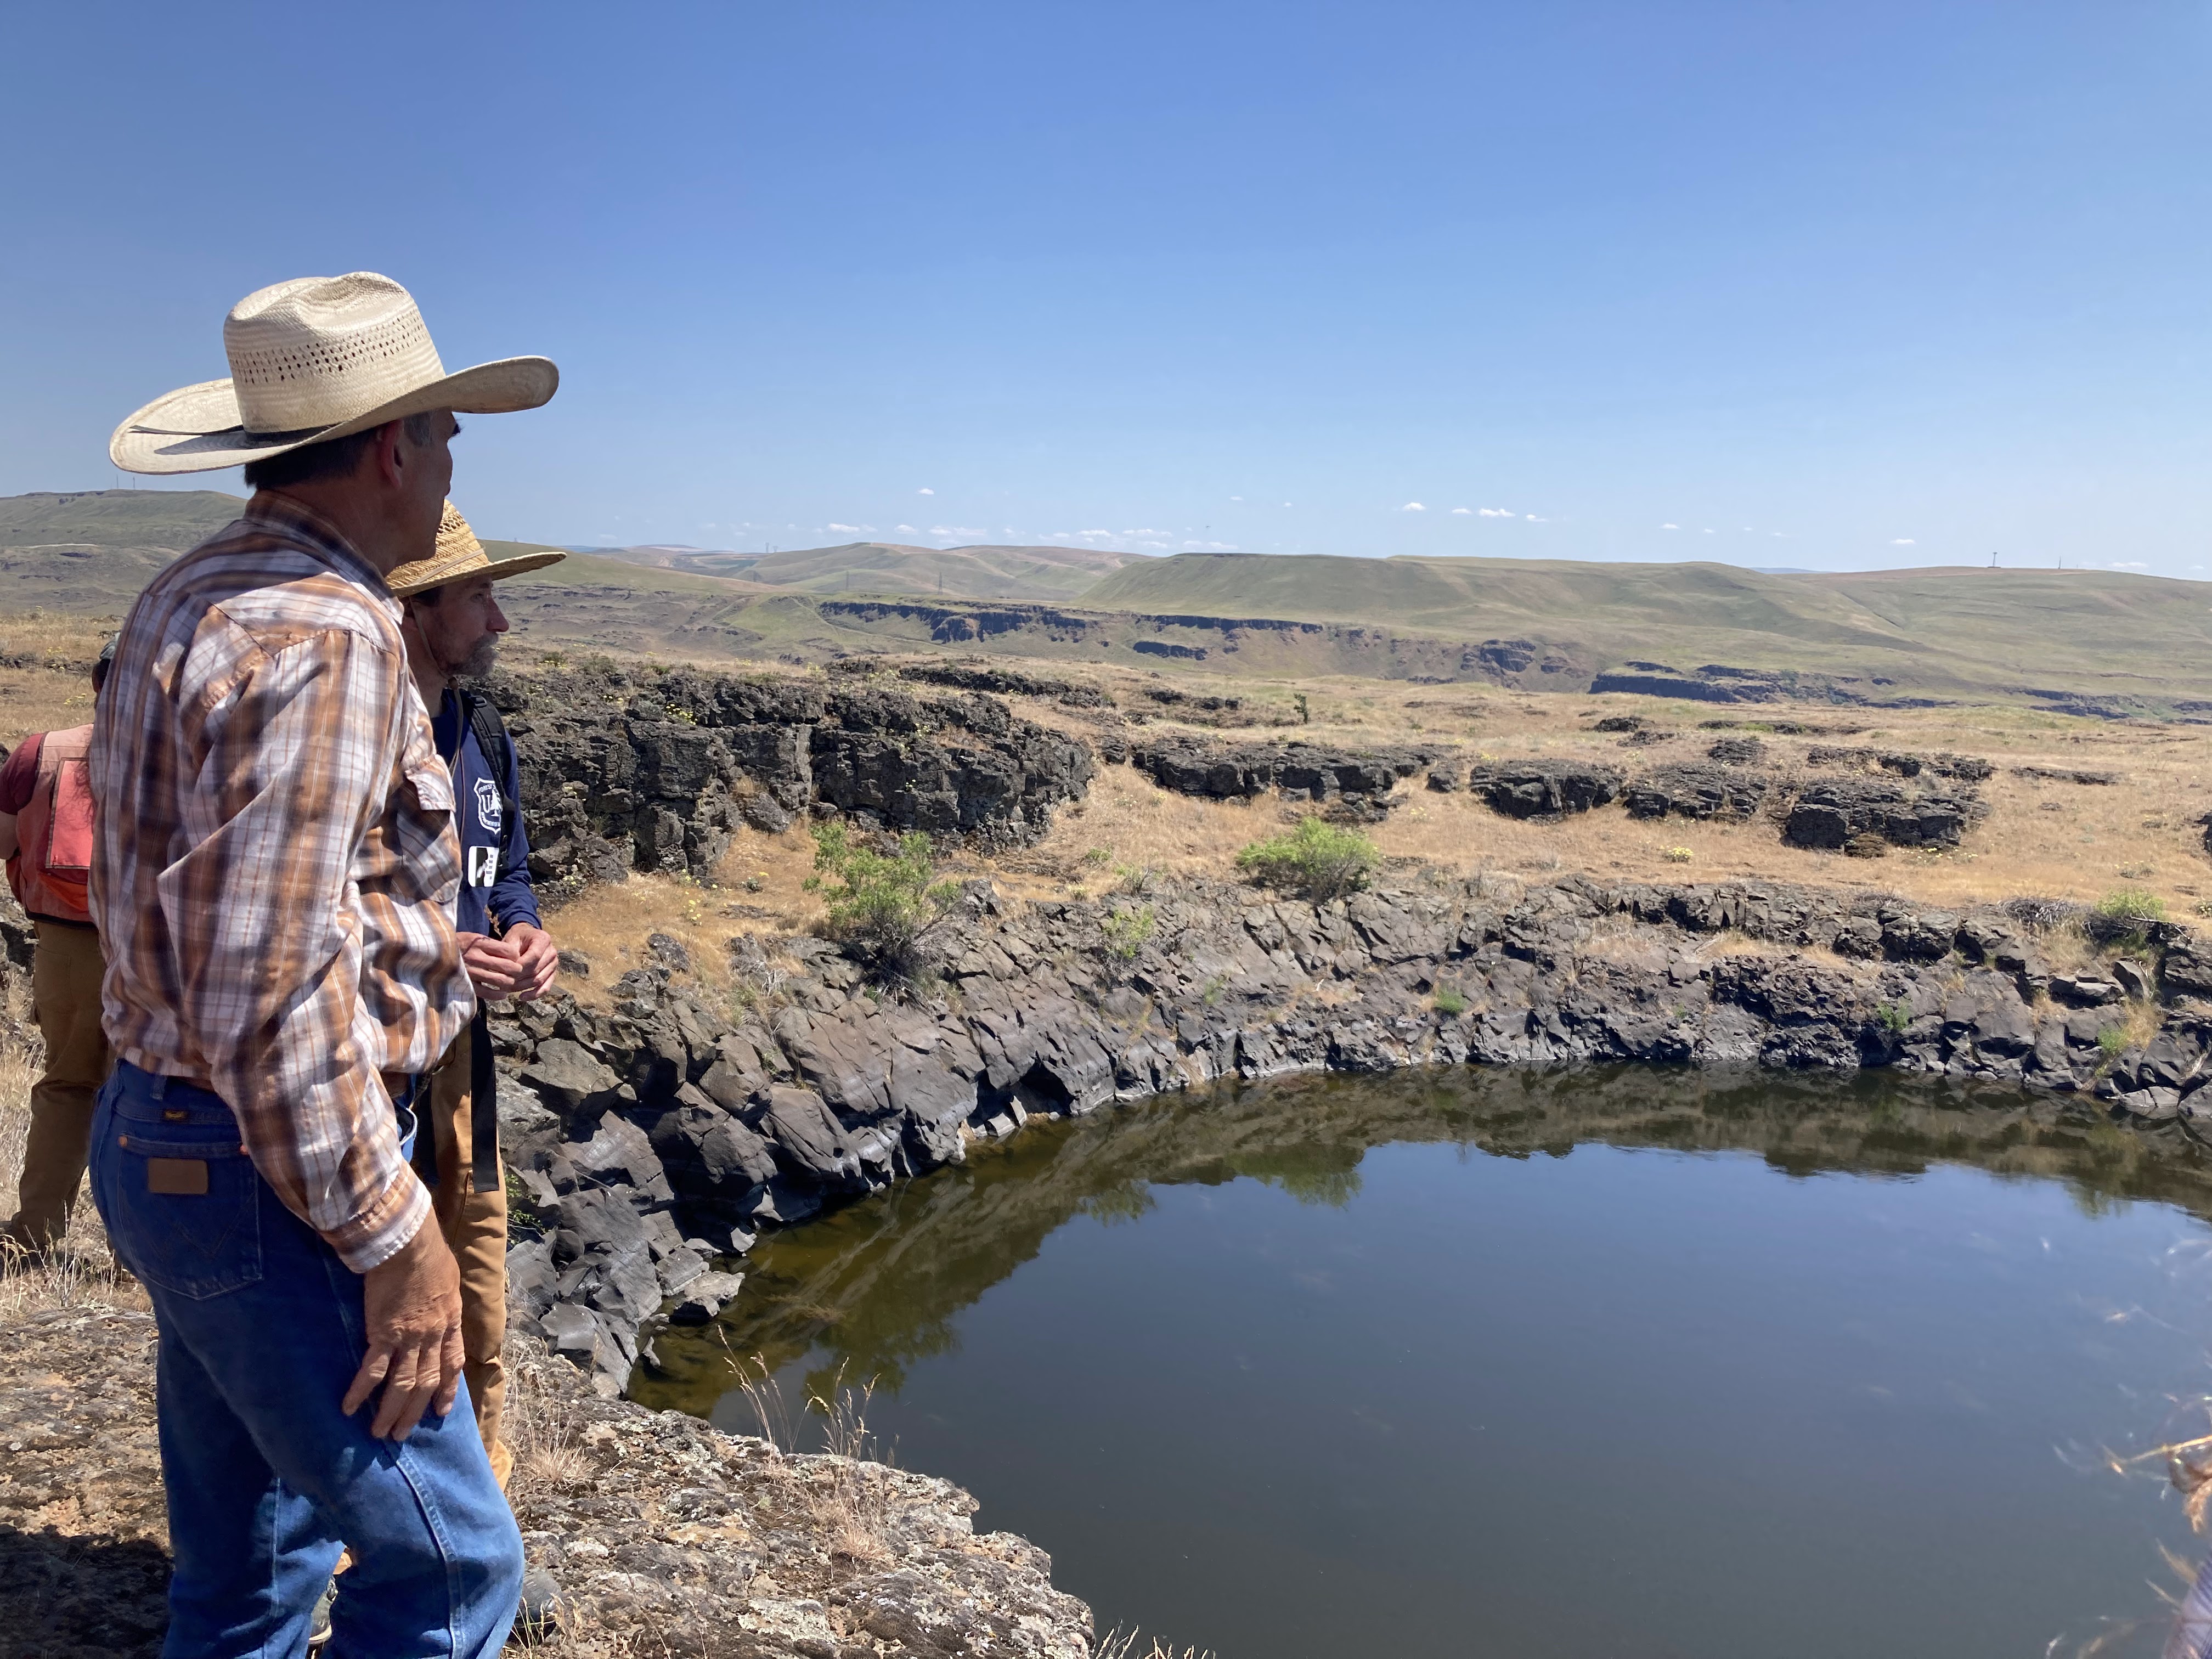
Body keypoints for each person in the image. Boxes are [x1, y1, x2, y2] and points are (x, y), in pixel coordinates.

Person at [90, 272, 557, 1658]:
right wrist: (395, 1235)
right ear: (393, 448)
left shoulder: (197, 589)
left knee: (254, 1569)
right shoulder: (324, 635)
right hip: (267, 1174)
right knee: (454, 1572)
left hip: (176, 1134)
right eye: (447, 434)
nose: (454, 461)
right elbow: (271, 990)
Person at [388, 501, 564, 1490]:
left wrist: (524, 930)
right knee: (386, 1287)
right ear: (416, 607)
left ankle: (479, 1491)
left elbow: (509, 870)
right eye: (479, 595)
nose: (501, 619)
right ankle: (378, 1509)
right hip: (374, 1054)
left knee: (480, 1269)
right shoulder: (364, 732)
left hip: (464, 1047)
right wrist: (440, 947)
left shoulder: (482, 728)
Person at [0, 641, 114, 1256]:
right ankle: (138, 1252)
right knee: (150, 1095)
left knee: (69, 1085)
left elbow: (1, 841)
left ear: (96, 683)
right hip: (161, 950)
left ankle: (36, 1232)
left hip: (65, 946)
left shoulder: (40, 751)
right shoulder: (194, 754)